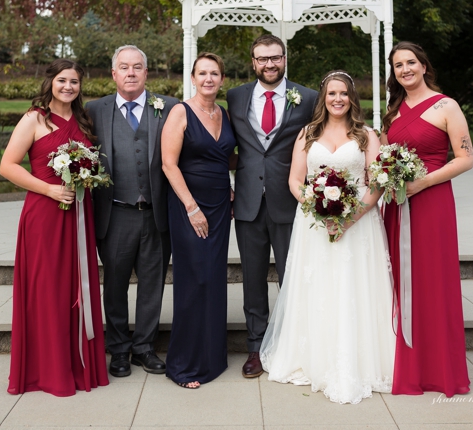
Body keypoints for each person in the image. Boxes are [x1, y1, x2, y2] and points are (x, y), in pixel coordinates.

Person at [259, 71, 394, 404]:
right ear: (324, 98)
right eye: (332, 93)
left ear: (352, 98)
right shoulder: (308, 133)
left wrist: (349, 218)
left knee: (354, 287)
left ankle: (360, 361)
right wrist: (317, 208)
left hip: (358, 225)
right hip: (316, 226)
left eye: (344, 93)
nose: (338, 99)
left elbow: (377, 183)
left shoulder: (366, 135)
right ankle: (314, 357)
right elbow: (295, 180)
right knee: (319, 288)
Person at [0, 60, 108, 397]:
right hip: (44, 214)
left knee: (74, 288)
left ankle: (77, 364)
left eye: (74, 82)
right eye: (62, 80)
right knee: (47, 290)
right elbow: (7, 165)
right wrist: (47, 189)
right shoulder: (34, 118)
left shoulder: (83, 121)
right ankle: (46, 369)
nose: (68, 87)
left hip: (77, 216)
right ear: (50, 82)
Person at [382, 42, 473, 397]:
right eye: (398, 65)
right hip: (398, 205)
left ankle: (438, 368)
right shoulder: (393, 112)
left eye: (410, 63)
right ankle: (406, 360)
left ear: (423, 66)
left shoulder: (446, 106)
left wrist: (422, 182)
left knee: (433, 279)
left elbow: (465, 159)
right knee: (401, 279)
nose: (404, 69)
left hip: (432, 201)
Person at [224, 35, 318, 379]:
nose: (269, 64)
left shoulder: (308, 98)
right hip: (247, 203)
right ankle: (256, 348)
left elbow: (324, 140)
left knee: (295, 277)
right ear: (253, 62)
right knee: (252, 279)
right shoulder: (235, 97)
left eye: (275, 58)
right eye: (262, 59)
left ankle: (297, 345)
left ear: (284, 58)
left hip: (291, 202)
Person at [84, 45, 178, 378]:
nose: (130, 73)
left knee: (153, 284)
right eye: (124, 67)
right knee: (115, 285)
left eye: (137, 67)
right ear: (113, 74)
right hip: (115, 213)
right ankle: (119, 349)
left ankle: (144, 348)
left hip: (156, 213)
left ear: (146, 72)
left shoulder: (169, 107)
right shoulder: (94, 109)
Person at [158, 54, 237, 389]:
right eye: (202, 73)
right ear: (193, 77)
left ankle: (212, 356)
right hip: (190, 207)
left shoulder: (224, 114)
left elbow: (228, 158)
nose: (208, 78)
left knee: (215, 279)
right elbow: (168, 164)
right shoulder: (180, 111)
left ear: (222, 79)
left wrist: (230, 189)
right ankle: (185, 364)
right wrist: (191, 207)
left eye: (214, 73)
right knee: (194, 280)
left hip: (220, 207)